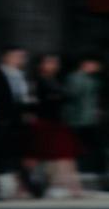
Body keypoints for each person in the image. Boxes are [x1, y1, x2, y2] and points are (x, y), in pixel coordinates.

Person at [0, 46, 40, 201]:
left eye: (22, 56)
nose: (21, 59)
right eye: (17, 56)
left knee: (18, 155)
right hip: (3, 120)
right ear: (6, 57)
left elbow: (24, 98)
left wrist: (28, 108)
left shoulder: (21, 76)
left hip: (18, 122)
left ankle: (29, 185)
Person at [29, 54, 84, 198]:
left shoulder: (54, 81)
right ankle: (63, 187)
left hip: (56, 122)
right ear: (41, 65)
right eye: (49, 62)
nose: (54, 65)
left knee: (65, 155)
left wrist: (58, 97)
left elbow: (65, 97)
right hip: (44, 122)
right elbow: (42, 101)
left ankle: (71, 187)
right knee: (47, 156)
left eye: (55, 62)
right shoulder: (39, 81)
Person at [66, 54, 109, 193]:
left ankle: (105, 182)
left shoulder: (91, 79)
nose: (97, 68)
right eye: (95, 64)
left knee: (99, 153)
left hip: (88, 121)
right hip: (79, 122)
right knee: (75, 154)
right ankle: (99, 183)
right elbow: (72, 99)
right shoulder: (76, 79)